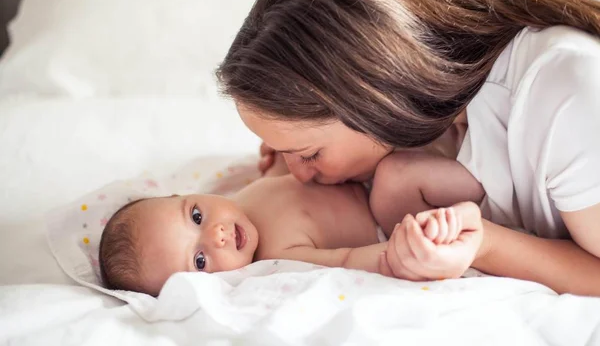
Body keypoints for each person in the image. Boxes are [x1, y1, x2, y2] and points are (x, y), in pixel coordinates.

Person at [216, 0, 600, 296]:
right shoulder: (421, 43)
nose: (298, 175)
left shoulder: (564, 99)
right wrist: (289, 140)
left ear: (373, 102)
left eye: (310, 154)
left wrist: (485, 245)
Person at [98, 154, 482, 296]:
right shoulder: (276, 258)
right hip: (390, 217)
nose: (215, 234)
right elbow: (345, 259)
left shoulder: (242, 195)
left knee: (393, 156)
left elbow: (293, 174)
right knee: (395, 177)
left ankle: (483, 160)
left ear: (185, 194)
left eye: (197, 216)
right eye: (200, 260)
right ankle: (498, 201)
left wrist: (282, 147)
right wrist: (401, 250)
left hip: (358, 173)